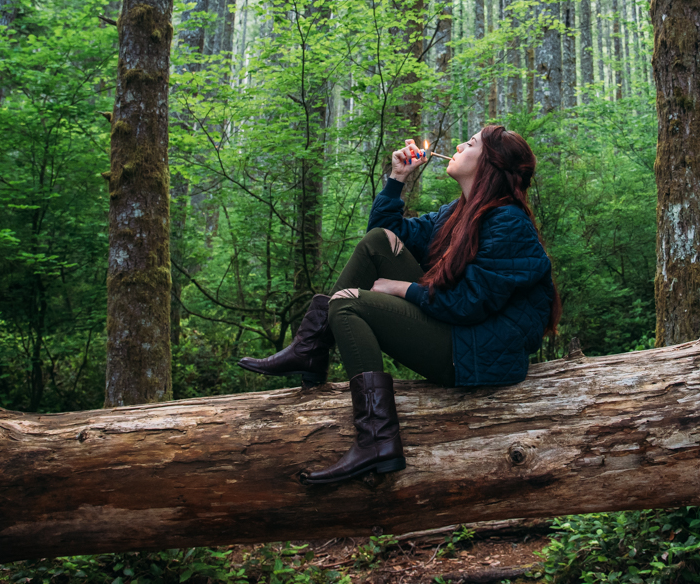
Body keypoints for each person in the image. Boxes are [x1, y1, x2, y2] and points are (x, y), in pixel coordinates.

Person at [236, 125, 561, 485]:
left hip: (476, 353)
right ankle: (310, 348)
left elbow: (468, 303)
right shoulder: (457, 213)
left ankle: (378, 441)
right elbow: (384, 237)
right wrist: (397, 179)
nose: (457, 145)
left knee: (348, 305)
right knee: (378, 241)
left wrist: (400, 288)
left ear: (490, 163)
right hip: (456, 332)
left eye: (469, 144)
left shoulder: (508, 222)